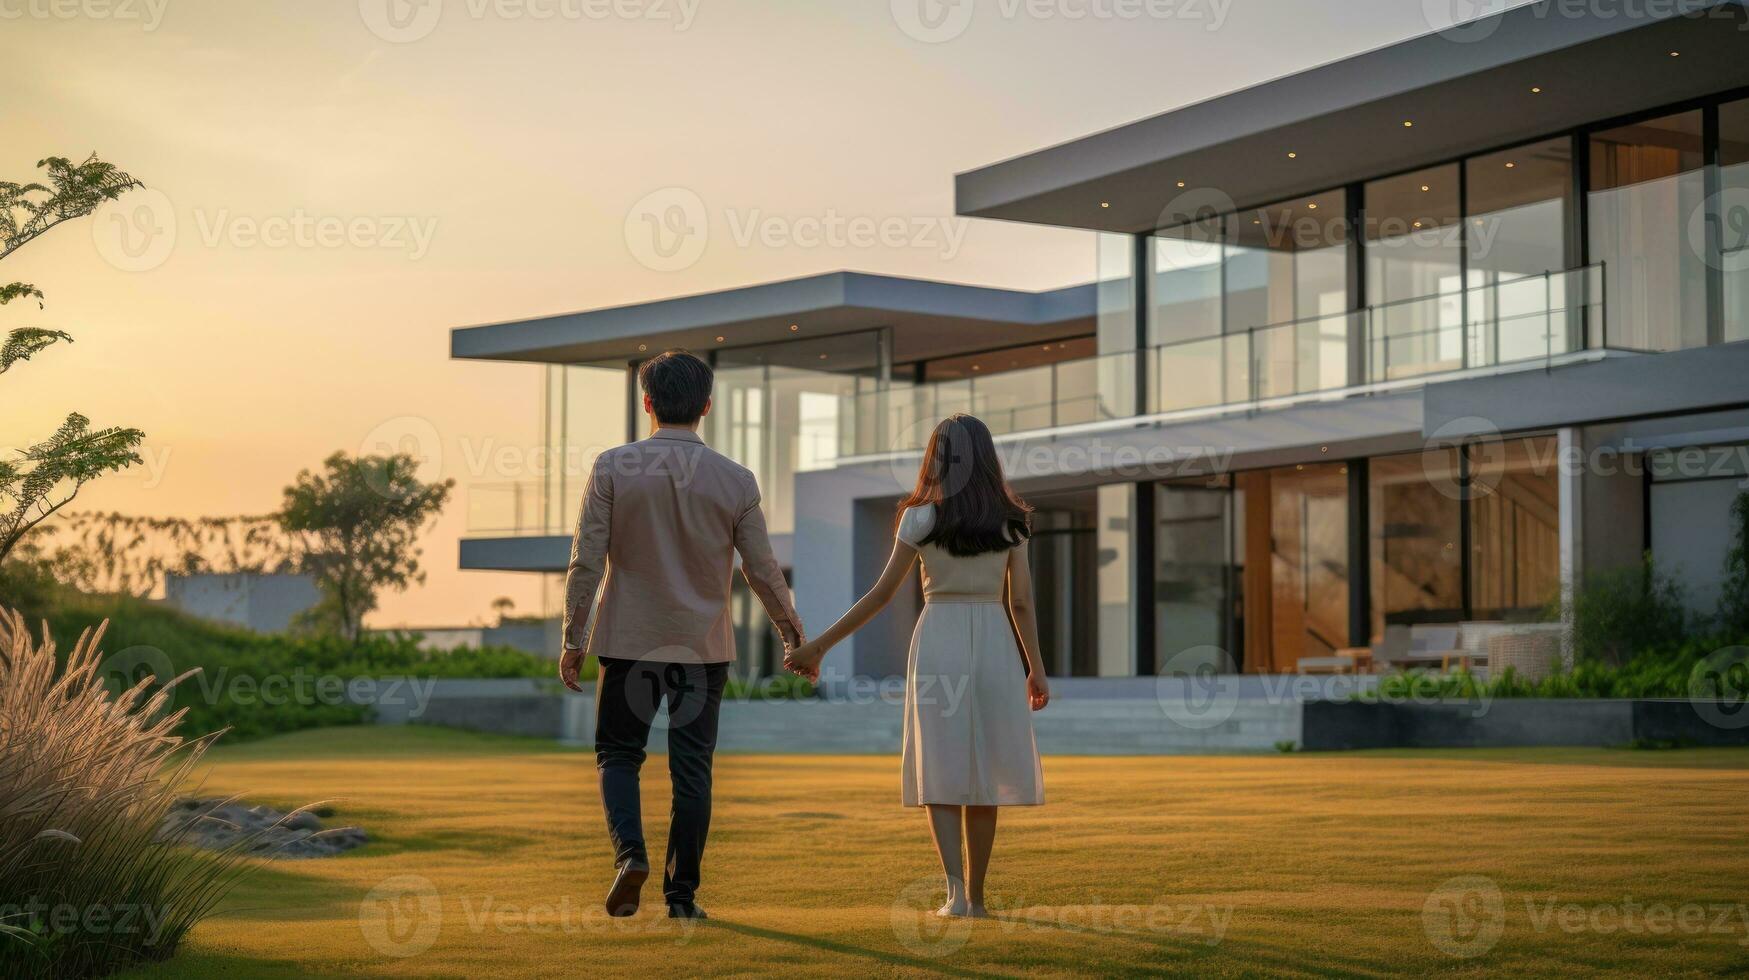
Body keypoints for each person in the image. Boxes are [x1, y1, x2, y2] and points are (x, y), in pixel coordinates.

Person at [558, 349, 804, 920]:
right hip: (702, 648)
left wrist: (573, 639)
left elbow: (585, 562)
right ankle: (682, 897)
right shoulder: (736, 479)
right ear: (707, 406)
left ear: (647, 403)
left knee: (618, 756)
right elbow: (762, 570)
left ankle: (630, 856)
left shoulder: (612, 467)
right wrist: (792, 635)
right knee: (692, 771)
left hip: (628, 643)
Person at [785, 413, 1048, 918]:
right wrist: (1034, 667)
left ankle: (955, 897)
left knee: (942, 766)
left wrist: (819, 646)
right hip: (996, 643)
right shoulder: (1013, 520)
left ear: (937, 458)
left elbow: (881, 595)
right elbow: (1022, 605)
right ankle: (979, 898)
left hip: (939, 643)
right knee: (985, 773)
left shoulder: (919, 519)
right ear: (989, 459)